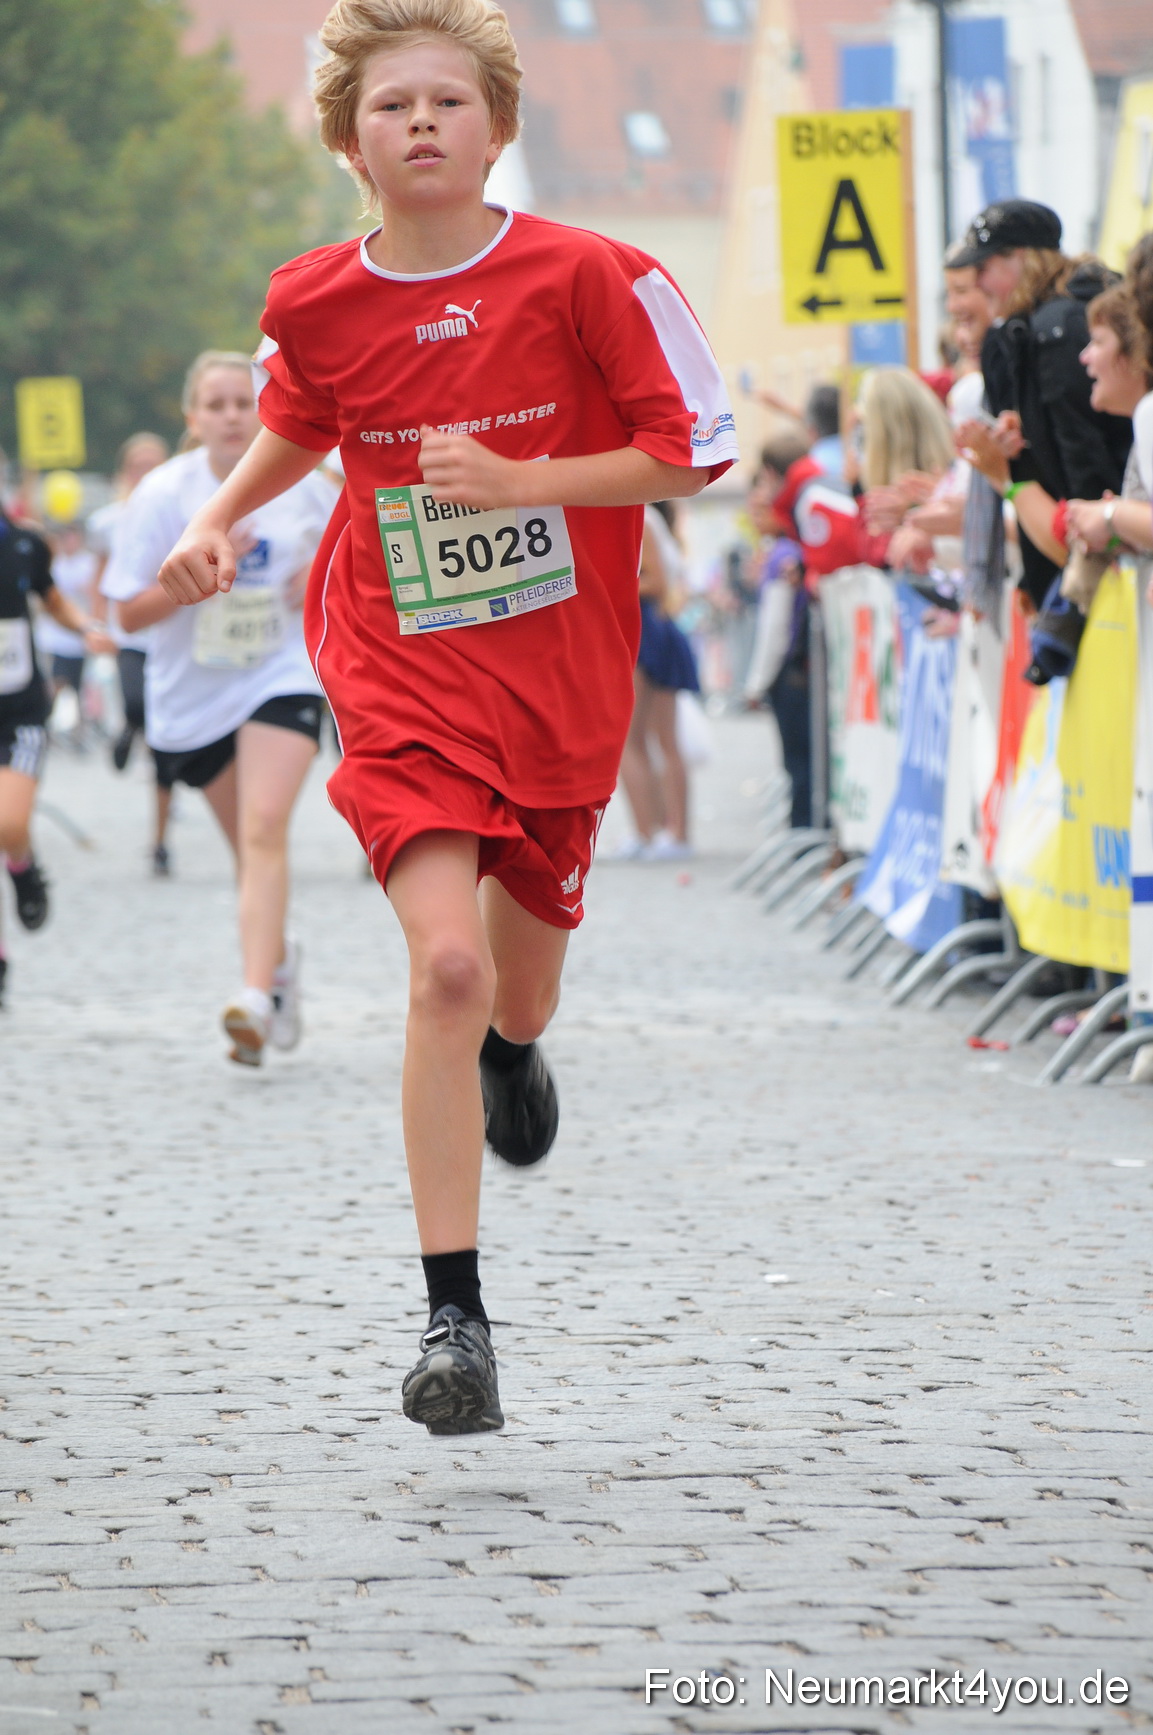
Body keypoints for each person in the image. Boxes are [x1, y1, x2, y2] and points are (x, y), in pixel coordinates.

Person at [156, 0, 736, 1436]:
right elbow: (308, 413)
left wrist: (528, 482)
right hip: (395, 660)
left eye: (449, 103)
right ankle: (453, 1320)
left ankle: (512, 1053)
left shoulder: (594, 274)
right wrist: (225, 517)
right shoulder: (313, 296)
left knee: (516, 990)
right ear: (348, 138)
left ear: (500, 126)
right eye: (392, 106)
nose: (421, 123)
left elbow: (695, 452)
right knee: (447, 967)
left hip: (560, 677)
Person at [103, 351, 338, 1065]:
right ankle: (277, 962)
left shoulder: (306, 485)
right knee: (249, 849)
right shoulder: (163, 496)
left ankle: (252, 997)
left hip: (283, 670)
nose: (234, 414)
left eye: (246, 400)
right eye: (218, 403)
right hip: (195, 690)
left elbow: (363, 542)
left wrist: (324, 564)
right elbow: (125, 617)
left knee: (265, 827)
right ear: (193, 418)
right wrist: (193, 579)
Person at [951, 199, 1132, 611]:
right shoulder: (1052, 320)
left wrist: (1082, 562)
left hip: (1109, 568)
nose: (978, 284)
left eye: (983, 269)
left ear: (1019, 259)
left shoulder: (1055, 329)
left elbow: (1085, 467)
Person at [0, 506, 111, 1005]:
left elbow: (50, 598)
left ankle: (22, 867)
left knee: (7, 824)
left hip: (18, 713)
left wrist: (84, 627)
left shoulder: (24, 543)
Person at [89, 433, 174, 873]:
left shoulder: (182, 506)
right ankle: (129, 727)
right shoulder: (109, 520)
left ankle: (159, 841)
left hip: (172, 637)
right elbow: (100, 577)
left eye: (154, 464)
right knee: (140, 706)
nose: (146, 473)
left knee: (163, 744)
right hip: (131, 635)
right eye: (138, 465)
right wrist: (97, 624)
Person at [617, 502, 698, 860]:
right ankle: (660, 831)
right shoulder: (647, 515)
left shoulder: (639, 515)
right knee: (651, 738)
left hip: (646, 628)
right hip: (652, 628)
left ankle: (660, 831)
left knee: (638, 740)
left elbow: (656, 581)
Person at [37, 522, 101, 741]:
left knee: (80, 685)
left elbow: (96, 597)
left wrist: (94, 627)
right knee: (55, 683)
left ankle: (80, 730)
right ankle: (44, 724)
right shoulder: (53, 562)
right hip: (54, 637)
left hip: (79, 636)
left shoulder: (89, 564)